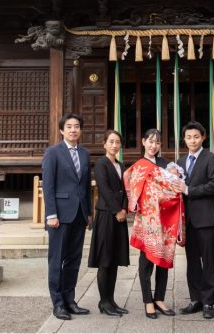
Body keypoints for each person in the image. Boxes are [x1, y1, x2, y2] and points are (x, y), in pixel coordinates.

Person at [123, 129, 184, 319]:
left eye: (157, 142)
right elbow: (130, 183)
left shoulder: (167, 164)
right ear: (143, 142)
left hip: (166, 218)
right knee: (147, 260)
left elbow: (176, 186)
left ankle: (159, 298)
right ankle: (148, 301)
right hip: (149, 220)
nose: (153, 146)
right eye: (150, 141)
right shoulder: (138, 166)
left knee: (164, 259)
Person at [42, 113, 92, 321]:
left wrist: (89, 212)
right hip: (60, 216)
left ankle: (70, 300)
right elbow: (49, 185)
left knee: (73, 260)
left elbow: (86, 185)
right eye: (69, 126)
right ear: (62, 130)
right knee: (57, 260)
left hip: (79, 214)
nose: (73, 130)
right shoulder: (53, 152)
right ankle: (58, 303)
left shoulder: (85, 153)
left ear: (81, 130)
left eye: (77, 126)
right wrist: (51, 214)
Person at [176, 121, 214, 319]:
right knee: (192, 261)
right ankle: (195, 299)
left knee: (208, 262)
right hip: (187, 221)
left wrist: (188, 190)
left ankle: (209, 302)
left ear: (203, 137)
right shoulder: (178, 163)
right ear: (184, 139)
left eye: (196, 136)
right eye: (188, 137)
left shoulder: (211, 159)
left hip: (205, 219)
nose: (192, 140)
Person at [87, 130, 130, 316]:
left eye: (117, 142)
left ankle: (111, 300)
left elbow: (126, 190)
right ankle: (103, 302)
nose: (114, 145)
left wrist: (125, 209)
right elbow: (103, 189)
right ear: (104, 144)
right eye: (111, 142)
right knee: (105, 259)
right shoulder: (101, 163)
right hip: (106, 215)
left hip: (119, 216)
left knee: (114, 259)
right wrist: (117, 210)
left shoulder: (121, 164)